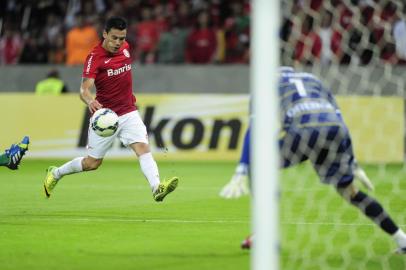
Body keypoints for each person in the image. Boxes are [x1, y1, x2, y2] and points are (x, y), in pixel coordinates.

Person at [221, 67, 406, 254]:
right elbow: (341, 121)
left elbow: (254, 129)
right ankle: (402, 239)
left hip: (303, 132)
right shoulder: (313, 79)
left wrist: (242, 169)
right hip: (334, 132)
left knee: (258, 163)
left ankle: (265, 235)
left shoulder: (264, 84)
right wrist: (353, 162)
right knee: (350, 193)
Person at [43, 17, 178, 202]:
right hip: (106, 118)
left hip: (129, 111)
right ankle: (56, 173)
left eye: (121, 38)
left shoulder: (126, 48)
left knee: (143, 148)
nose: (118, 43)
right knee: (92, 163)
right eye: (114, 37)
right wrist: (90, 101)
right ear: (105, 34)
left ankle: (156, 188)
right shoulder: (94, 57)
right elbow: (84, 90)